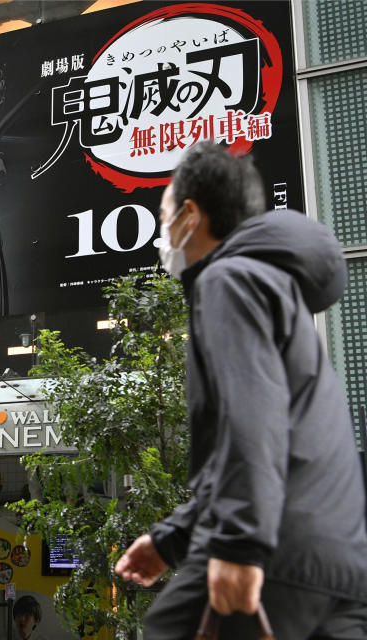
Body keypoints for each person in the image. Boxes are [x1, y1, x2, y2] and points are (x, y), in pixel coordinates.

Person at [115, 141, 367, 638]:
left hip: (275, 550)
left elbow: (254, 415)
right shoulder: (272, 286)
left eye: (163, 213)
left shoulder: (226, 280)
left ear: (190, 214)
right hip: (340, 567)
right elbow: (257, 443)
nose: (162, 231)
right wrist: (170, 541)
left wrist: (238, 545)